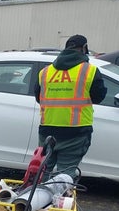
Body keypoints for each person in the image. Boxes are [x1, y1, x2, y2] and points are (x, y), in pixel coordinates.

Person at [33, 34, 106, 179]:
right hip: (75, 133)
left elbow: (38, 97)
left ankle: (37, 200)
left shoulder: (45, 72)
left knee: (43, 173)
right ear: (84, 48)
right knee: (63, 178)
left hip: (47, 131)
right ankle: (58, 200)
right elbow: (99, 97)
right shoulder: (89, 71)